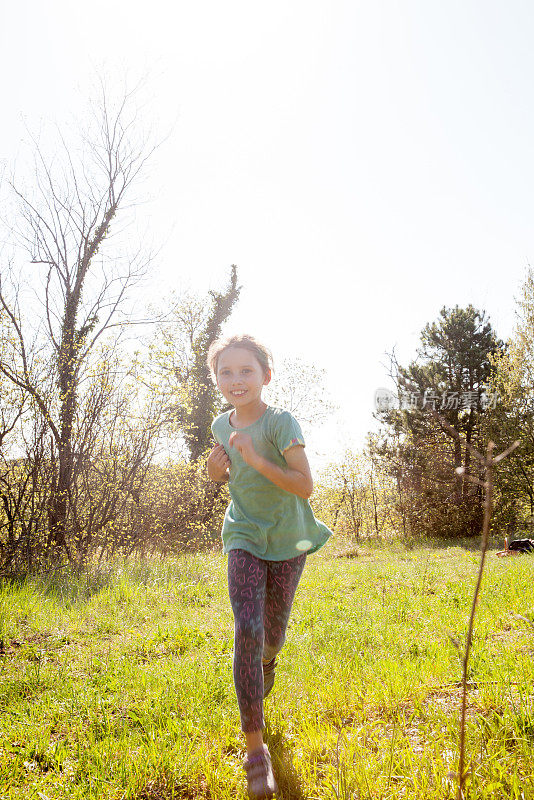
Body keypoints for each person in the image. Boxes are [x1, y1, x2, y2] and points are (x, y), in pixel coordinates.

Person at [206, 334, 333, 799]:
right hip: (243, 536)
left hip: (288, 539)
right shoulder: (220, 425)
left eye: (246, 371)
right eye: (226, 372)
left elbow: (305, 486)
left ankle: (266, 662)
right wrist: (216, 472)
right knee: (248, 627)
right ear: (216, 379)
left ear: (265, 376)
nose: (236, 380)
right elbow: (224, 477)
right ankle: (255, 750)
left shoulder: (282, 422)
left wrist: (256, 459)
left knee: (271, 636)